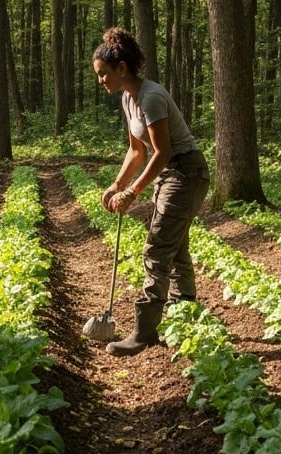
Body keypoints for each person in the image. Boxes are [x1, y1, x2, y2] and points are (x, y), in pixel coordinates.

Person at [90, 26, 210, 357]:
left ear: (121, 68)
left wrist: (132, 192)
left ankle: (144, 333)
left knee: (157, 248)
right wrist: (117, 184)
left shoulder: (151, 97)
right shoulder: (128, 99)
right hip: (171, 174)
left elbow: (162, 152)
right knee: (176, 247)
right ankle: (184, 318)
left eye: (103, 74)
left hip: (186, 172)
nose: (100, 80)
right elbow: (136, 150)